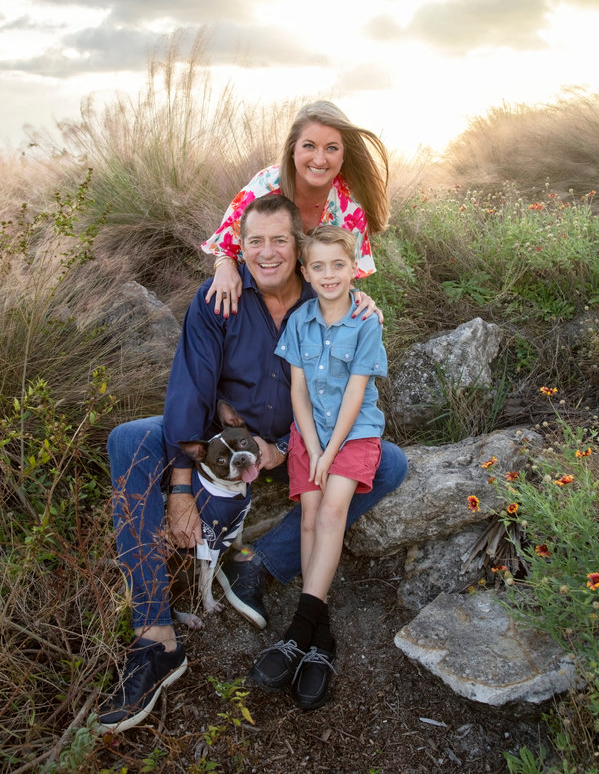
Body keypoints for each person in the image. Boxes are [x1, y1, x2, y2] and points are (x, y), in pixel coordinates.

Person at [98, 196, 408, 733]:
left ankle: (257, 562)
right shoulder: (220, 295)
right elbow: (191, 388)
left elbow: (342, 383)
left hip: (304, 436)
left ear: (299, 247)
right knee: (128, 440)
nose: (267, 254)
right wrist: (179, 487)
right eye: (254, 242)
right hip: (223, 437)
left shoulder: (328, 293)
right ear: (239, 247)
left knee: (390, 464)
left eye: (280, 241)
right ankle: (155, 636)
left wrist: (286, 448)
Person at [249, 226, 386, 710]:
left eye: (339, 265)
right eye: (319, 267)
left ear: (355, 269)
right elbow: (298, 392)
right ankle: (321, 640)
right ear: (306, 273)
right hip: (308, 436)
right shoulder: (300, 321)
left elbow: (354, 394)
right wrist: (310, 446)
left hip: (352, 435)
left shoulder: (366, 322)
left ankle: (297, 630)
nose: (329, 275)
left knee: (330, 515)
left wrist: (329, 454)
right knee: (308, 517)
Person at [201, 100, 390, 318]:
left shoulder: (350, 208)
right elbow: (227, 247)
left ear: (343, 154)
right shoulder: (265, 187)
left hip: (312, 304)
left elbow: (344, 277)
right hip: (254, 294)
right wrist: (225, 267)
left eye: (331, 148)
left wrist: (357, 296)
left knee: (367, 319)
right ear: (293, 149)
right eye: (309, 146)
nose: (319, 159)